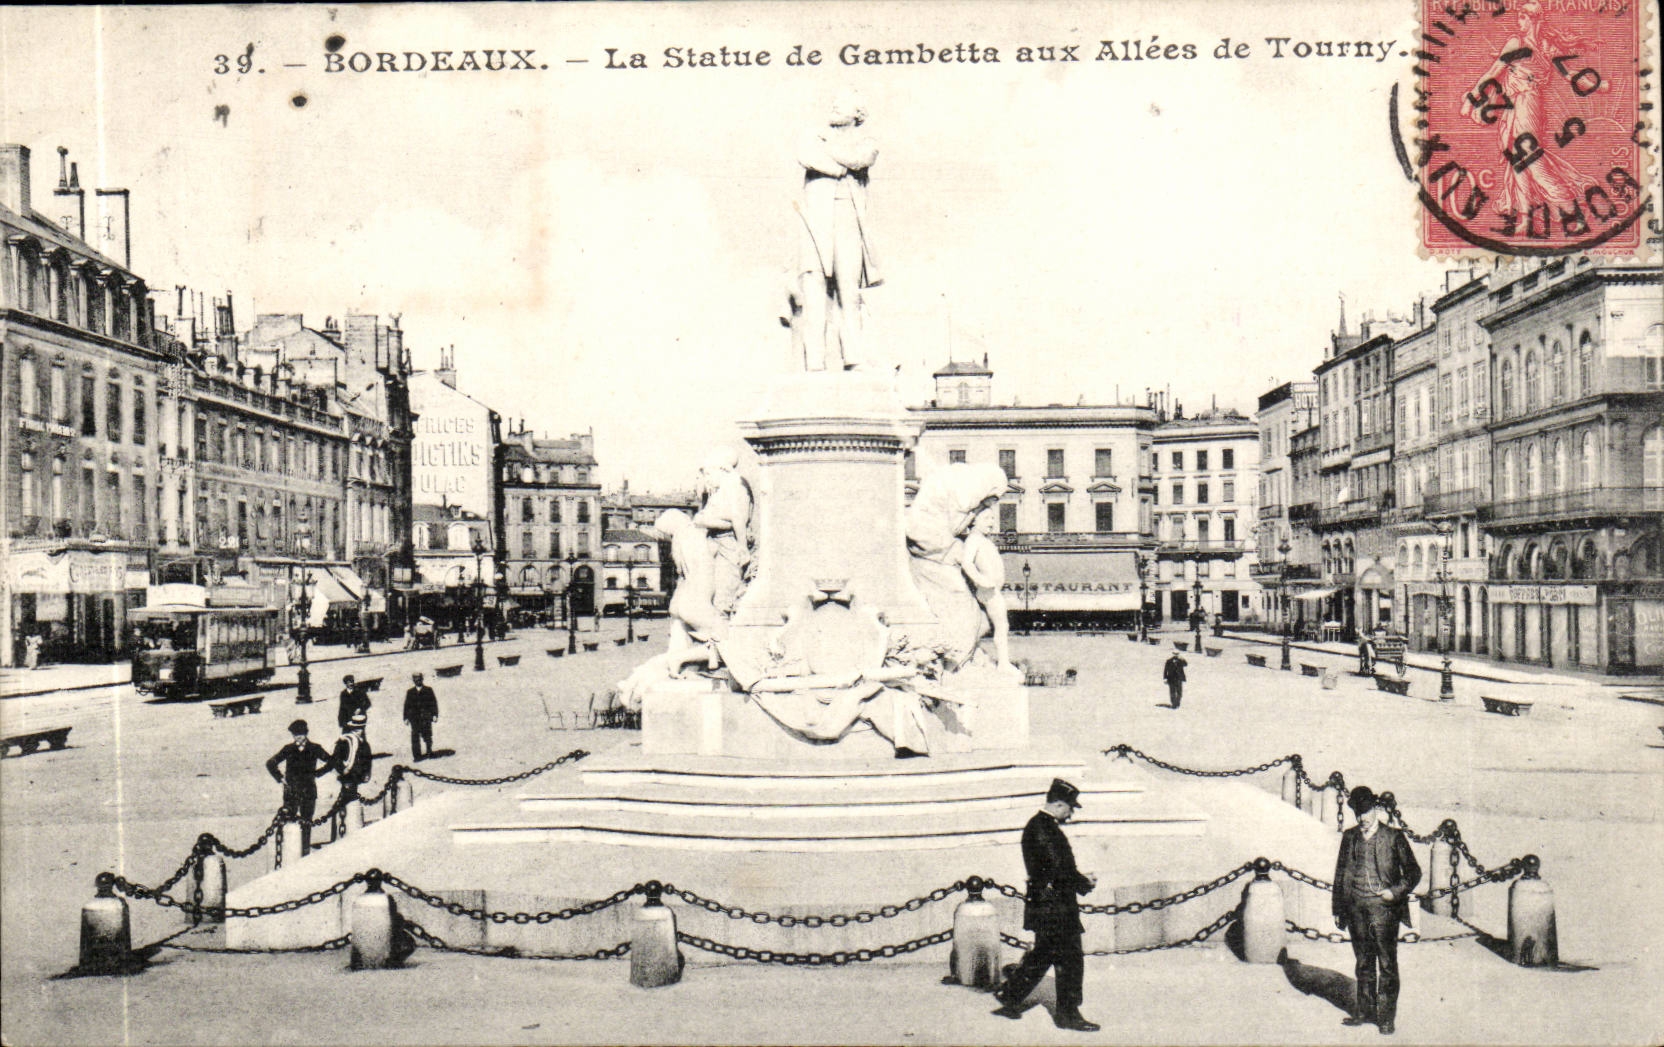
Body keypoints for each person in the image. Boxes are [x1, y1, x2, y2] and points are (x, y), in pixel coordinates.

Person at [992, 779, 1099, 1032]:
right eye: (1069, 808)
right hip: (1055, 908)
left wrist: (1079, 879)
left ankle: (1009, 996)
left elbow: (1055, 868)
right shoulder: (1044, 828)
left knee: (1042, 955)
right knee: (1070, 960)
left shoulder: (1039, 826)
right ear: (1059, 804)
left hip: (1048, 905)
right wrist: (1084, 882)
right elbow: (1058, 870)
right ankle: (1068, 1015)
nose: (1071, 814)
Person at [1333, 786, 1422, 1036]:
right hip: (1355, 909)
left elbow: (1414, 873)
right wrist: (1338, 909)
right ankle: (1363, 1011)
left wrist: (1394, 892)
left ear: (1375, 809)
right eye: (1358, 813)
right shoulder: (1349, 837)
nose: (1362, 818)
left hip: (1384, 911)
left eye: (1366, 811)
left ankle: (1385, 1018)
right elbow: (1340, 874)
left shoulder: (1393, 837)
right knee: (1363, 963)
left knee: (1386, 964)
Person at [265, 719, 339, 855]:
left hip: (308, 790)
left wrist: (318, 773)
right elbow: (270, 763)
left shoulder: (315, 748)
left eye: (301, 734)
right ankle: (291, 850)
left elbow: (332, 761)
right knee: (289, 820)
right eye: (295, 734)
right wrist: (280, 778)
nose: (298, 737)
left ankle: (304, 849)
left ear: (306, 733)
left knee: (306, 821)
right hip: (291, 791)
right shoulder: (288, 749)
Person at [403, 672, 439, 761]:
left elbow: (433, 703)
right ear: (413, 680)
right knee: (415, 737)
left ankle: (429, 752)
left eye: (419, 679)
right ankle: (417, 756)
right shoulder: (410, 692)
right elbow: (407, 706)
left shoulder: (428, 690)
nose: (417, 681)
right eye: (415, 679)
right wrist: (406, 718)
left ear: (422, 679)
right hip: (414, 718)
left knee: (427, 735)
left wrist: (434, 715)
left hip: (425, 717)